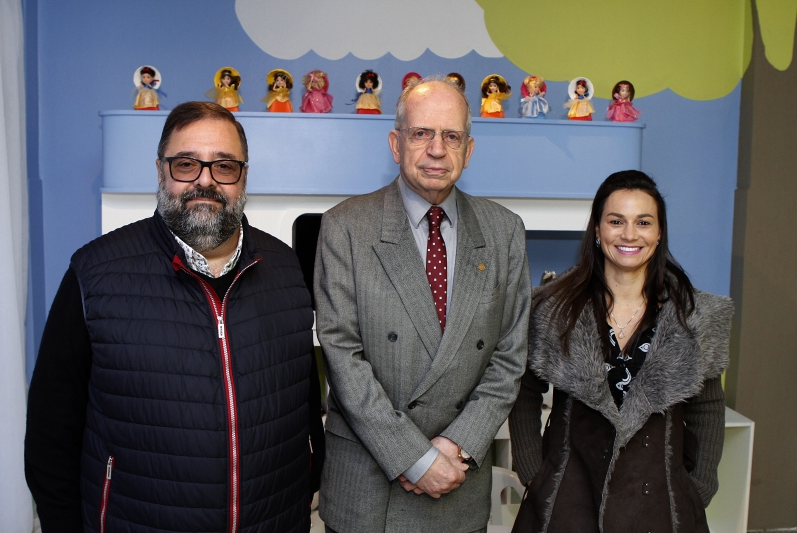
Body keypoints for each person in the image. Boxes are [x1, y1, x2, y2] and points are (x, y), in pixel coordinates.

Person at [25, 101, 324, 533]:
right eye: (186, 164)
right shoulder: (94, 273)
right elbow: (50, 438)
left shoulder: (285, 266)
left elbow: (304, 406)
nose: (205, 180)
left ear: (243, 176)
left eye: (224, 166)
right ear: (161, 170)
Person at [314, 78, 532, 533]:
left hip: (458, 480)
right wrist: (413, 458)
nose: (437, 149)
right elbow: (342, 356)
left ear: (468, 150)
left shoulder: (504, 231)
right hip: (369, 493)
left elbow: (509, 357)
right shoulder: (346, 228)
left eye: (451, 136)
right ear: (396, 144)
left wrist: (455, 447)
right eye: (422, 134)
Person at [508, 170, 733, 533]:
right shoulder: (553, 309)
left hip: (662, 504)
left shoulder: (691, 316)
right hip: (568, 499)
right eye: (616, 221)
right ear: (597, 230)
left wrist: (700, 486)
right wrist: (534, 471)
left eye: (643, 222)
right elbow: (524, 391)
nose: (630, 234)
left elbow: (708, 405)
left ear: (659, 233)